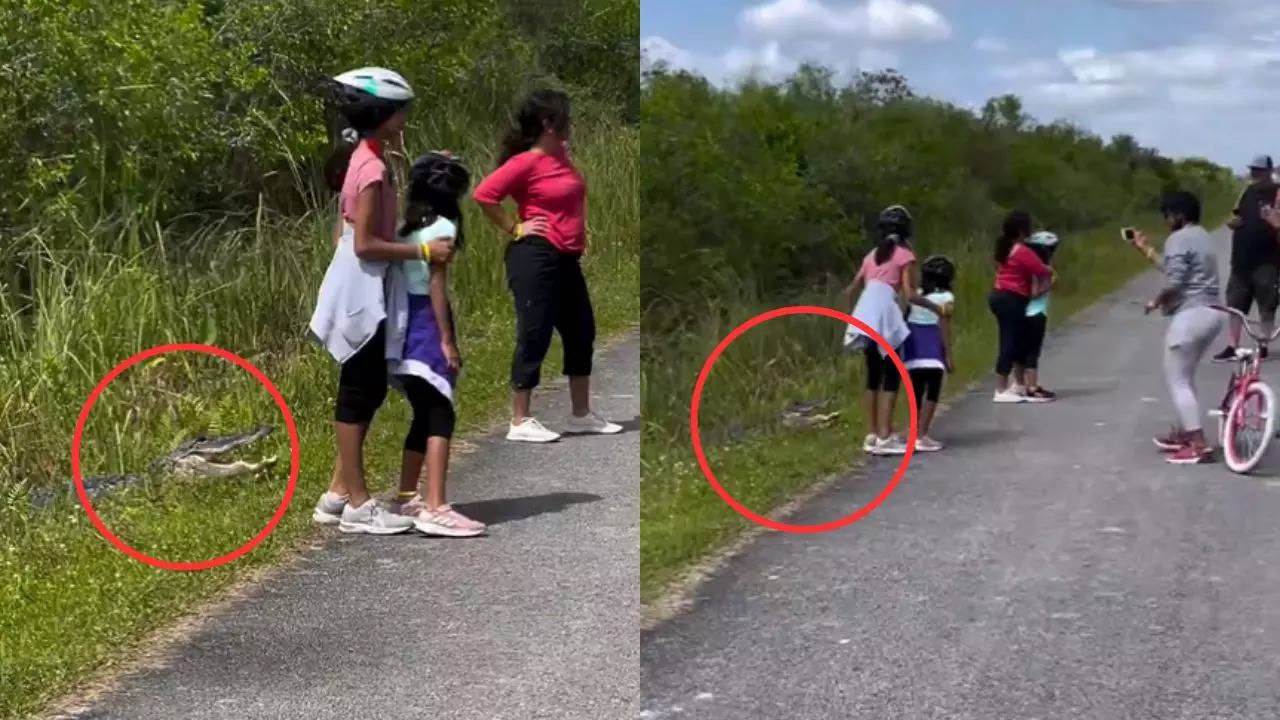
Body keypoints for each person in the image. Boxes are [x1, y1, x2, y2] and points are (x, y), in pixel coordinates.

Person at [308, 67, 456, 534]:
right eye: (402, 111)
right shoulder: (370, 168)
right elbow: (365, 243)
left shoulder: (369, 157)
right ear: (382, 113)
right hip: (363, 285)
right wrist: (423, 251)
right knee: (359, 390)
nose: (407, 119)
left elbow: (344, 227)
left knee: (368, 387)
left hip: (365, 282)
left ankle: (336, 494)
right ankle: (357, 504)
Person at [472, 89, 622, 443]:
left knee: (581, 330)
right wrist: (514, 227)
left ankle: (581, 414)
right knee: (535, 332)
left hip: (567, 257)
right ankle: (520, 419)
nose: (571, 123)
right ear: (547, 123)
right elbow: (484, 194)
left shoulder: (561, 157)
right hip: (535, 254)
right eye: (565, 118)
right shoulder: (526, 161)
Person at [382, 151, 486, 537]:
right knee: (441, 412)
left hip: (401, 323)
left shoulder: (405, 228)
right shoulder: (443, 227)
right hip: (426, 323)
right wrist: (447, 341)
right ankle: (436, 505)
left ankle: (407, 495)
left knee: (422, 413)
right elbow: (436, 285)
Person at [1127, 190, 1224, 465]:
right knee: (1186, 377)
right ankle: (1187, 431)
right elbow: (1176, 270)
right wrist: (1145, 249)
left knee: (1178, 380)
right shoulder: (1201, 235)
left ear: (1179, 215)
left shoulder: (1178, 238)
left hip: (1191, 316)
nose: (1166, 220)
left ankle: (1197, 443)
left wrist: (1156, 300)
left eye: (1168, 215)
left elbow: (1175, 282)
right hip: (1213, 312)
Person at [841, 205, 947, 456]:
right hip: (886, 314)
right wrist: (934, 307)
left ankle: (872, 434)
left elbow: (850, 290)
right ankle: (887, 435)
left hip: (865, 312)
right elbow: (910, 294)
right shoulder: (905, 255)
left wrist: (852, 316)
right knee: (891, 375)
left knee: (872, 376)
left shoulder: (872, 255)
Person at [1214, 155, 1279, 362]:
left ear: (1268, 172)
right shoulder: (1246, 192)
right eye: (1253, 170)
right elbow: (1235, 215)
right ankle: (1232, 346)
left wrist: (1273, 221)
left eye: (1259, 171)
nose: (1254, 174)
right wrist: (1232, 223)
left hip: (1268, 260)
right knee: (1235, 304)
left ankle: (1263, 344)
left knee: (1267, 304)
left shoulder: (1277, 193)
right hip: (1241, 259)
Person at [988, 210, 1053, 403]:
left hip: (1000, 295)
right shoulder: (1021, 251)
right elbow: (1040, 269)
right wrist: (1050, 270)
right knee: (1009, 342)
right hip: (1012, 298)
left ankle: (1012, 385)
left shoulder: (1004, 248)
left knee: (1009, 340)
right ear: (1021, 231)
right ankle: (1000, 389)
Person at [900, 254, 956, 452]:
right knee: (932, 392)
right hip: (931, 346)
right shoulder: (947, 299)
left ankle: (913, 433)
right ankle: (922, 435)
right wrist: (948, 354)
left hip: (913, 346)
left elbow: (907, 318)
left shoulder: (917, 294)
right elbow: (944, 326)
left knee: (915, 391)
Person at [1013, 230, 1060, 401]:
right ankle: (1031, 386)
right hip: (1035, 312)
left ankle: (1021, 384)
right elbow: (1033, 293)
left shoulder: (1028, 264)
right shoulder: (1039, 268)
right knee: (1032, 352)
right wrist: (1050, 283)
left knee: (1020, 351)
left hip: (1023, 311)